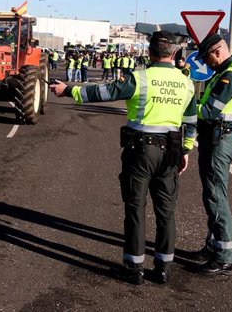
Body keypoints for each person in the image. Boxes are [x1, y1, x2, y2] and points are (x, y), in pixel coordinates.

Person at [50, 31, 196, 285]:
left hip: (141, 151)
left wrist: (69, 91)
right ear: (174, 53)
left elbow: (104, 92)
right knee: (166, 212)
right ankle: (163, 268)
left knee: (136, 209)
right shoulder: (187, 83)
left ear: (149, 52)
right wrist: (186, 150)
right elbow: (192, 121)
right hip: (171, 151)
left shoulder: (140, 78)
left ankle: (134, 268)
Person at [190, 33, 232, 275]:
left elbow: (211, 111)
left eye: (207, 58)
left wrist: (186, 106)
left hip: (219, 139)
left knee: (216, 196)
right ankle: (214, 245)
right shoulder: (226, 71)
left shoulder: (230, 75)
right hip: (215, 138)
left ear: (217, 52)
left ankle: (224, 256)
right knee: (213, 194)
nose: (206, 64)